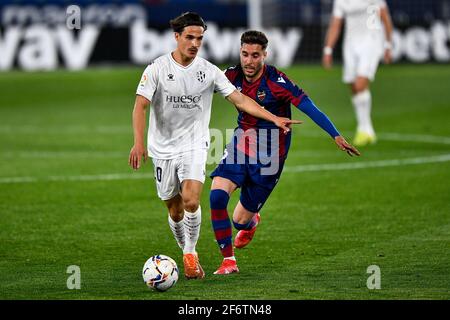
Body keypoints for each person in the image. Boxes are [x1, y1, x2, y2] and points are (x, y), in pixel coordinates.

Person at [128, 13, 299, 280]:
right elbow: (141, 105)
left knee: (192, 200)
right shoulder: (157, 69)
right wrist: (139, 143)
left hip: (194, 145)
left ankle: (190, 253)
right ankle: (185, 247)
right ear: (177, 37)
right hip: (162, 149)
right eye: (189, 37)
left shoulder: (208, 71)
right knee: (174, 209)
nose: (195, 43)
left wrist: (273, 117)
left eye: (199, 38)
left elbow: (241, 100)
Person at [210, 30, 360, 275]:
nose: (248, 61)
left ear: (264, 55)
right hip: (242, 144)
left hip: (271, 157)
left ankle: (251, 221)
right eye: (245, 54)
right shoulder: (230, 75)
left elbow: (310, 108)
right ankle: (229, 261)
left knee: (239, 221)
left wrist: (336, 135)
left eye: (255, 55)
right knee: (217, 197)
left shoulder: (277, 82)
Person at [322, 0, 393, 146]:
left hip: (371, 40)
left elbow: (384, 17)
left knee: (360, 85)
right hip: (350, 43)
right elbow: (336, 23)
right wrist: (328, 49)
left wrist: (388, 45)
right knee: (353, 86)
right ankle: (367, 130)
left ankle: (364, 130)